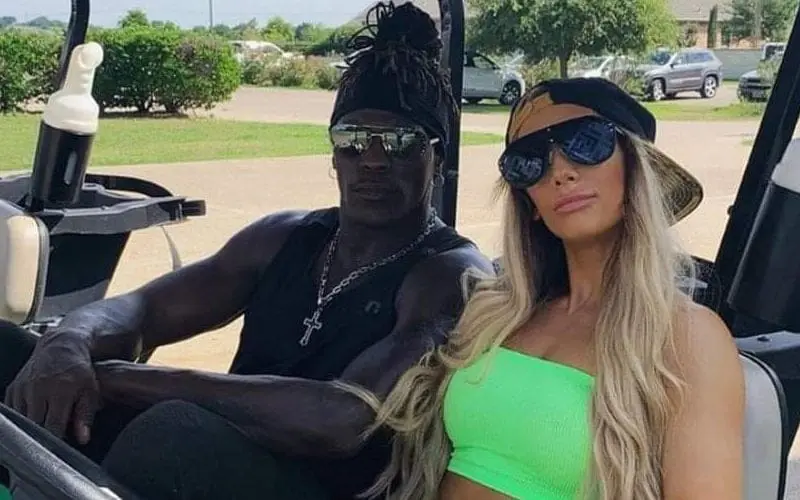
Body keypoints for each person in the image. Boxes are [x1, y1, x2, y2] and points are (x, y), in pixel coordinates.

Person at [0, 3, 492, 499]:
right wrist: (69, 341)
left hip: (325, 484)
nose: (373, 159)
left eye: (401, 141)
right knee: (13, 352)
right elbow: (144, 309)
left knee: (173, 434)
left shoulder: (448, 274)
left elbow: (346, 417)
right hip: (217, 460)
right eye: (353, 139)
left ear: (437, 156)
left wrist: (121, 381)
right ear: (334, 151)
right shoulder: (286, 238)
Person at [341, 78, 746, 500]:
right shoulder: (497, 314)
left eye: (586, 142)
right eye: (530, 160)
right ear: (528, 201)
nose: (560, 172)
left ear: (636, 170)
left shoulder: (687, 335)